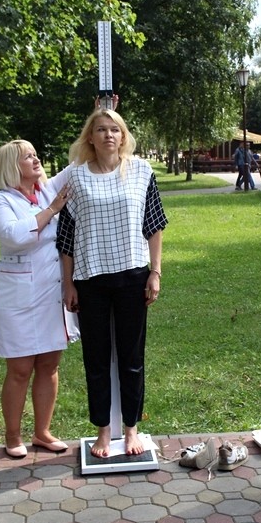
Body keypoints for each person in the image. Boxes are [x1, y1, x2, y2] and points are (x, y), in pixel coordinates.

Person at [56, 108, 168, 458]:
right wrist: (67, 283)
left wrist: (156, 271)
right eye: (101, 129)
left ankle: (132, 428)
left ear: (123, 136)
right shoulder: (75, 178)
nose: (108, 135)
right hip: (90, 279)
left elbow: (154, 225)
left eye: (115, 129)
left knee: (132, 357)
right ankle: (103, 431)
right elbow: (66, 237)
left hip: (133, 275)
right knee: (97, 359)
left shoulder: (141, 172)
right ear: (90, 137)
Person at [0, 139, 80, 459]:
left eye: (35, 154)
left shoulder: (46, 189)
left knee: (49, 364)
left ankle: (42, 432)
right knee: (20, 368)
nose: (36, 159)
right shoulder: (0, 201)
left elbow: (78, 161)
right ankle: (13, 435)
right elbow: (14, 237)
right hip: (17, 297)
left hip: (51, 292)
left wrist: (103, 112)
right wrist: (52, 209)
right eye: (29, 156)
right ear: (13, 166)